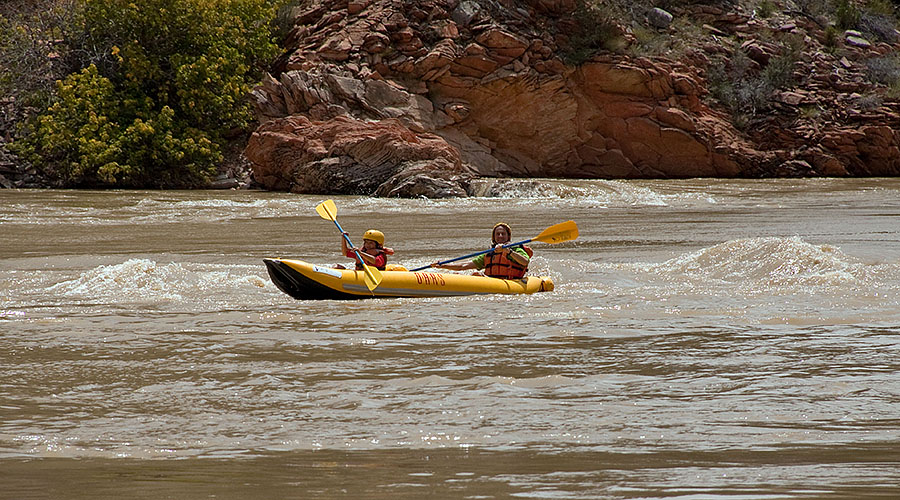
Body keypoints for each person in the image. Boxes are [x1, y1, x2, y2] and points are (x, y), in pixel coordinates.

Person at [433, 222, 532, 279]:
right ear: (493, 237)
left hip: (510, 282)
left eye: (503, 234)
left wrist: (509, 252)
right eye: (497, 234)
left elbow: (525, 261)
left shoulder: (515, 249)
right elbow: (464, 266)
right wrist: (443, 265)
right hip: (491, 281)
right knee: (464, 274)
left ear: (508, 236)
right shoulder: (489, 254)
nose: (500, 236)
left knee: (477, 275)